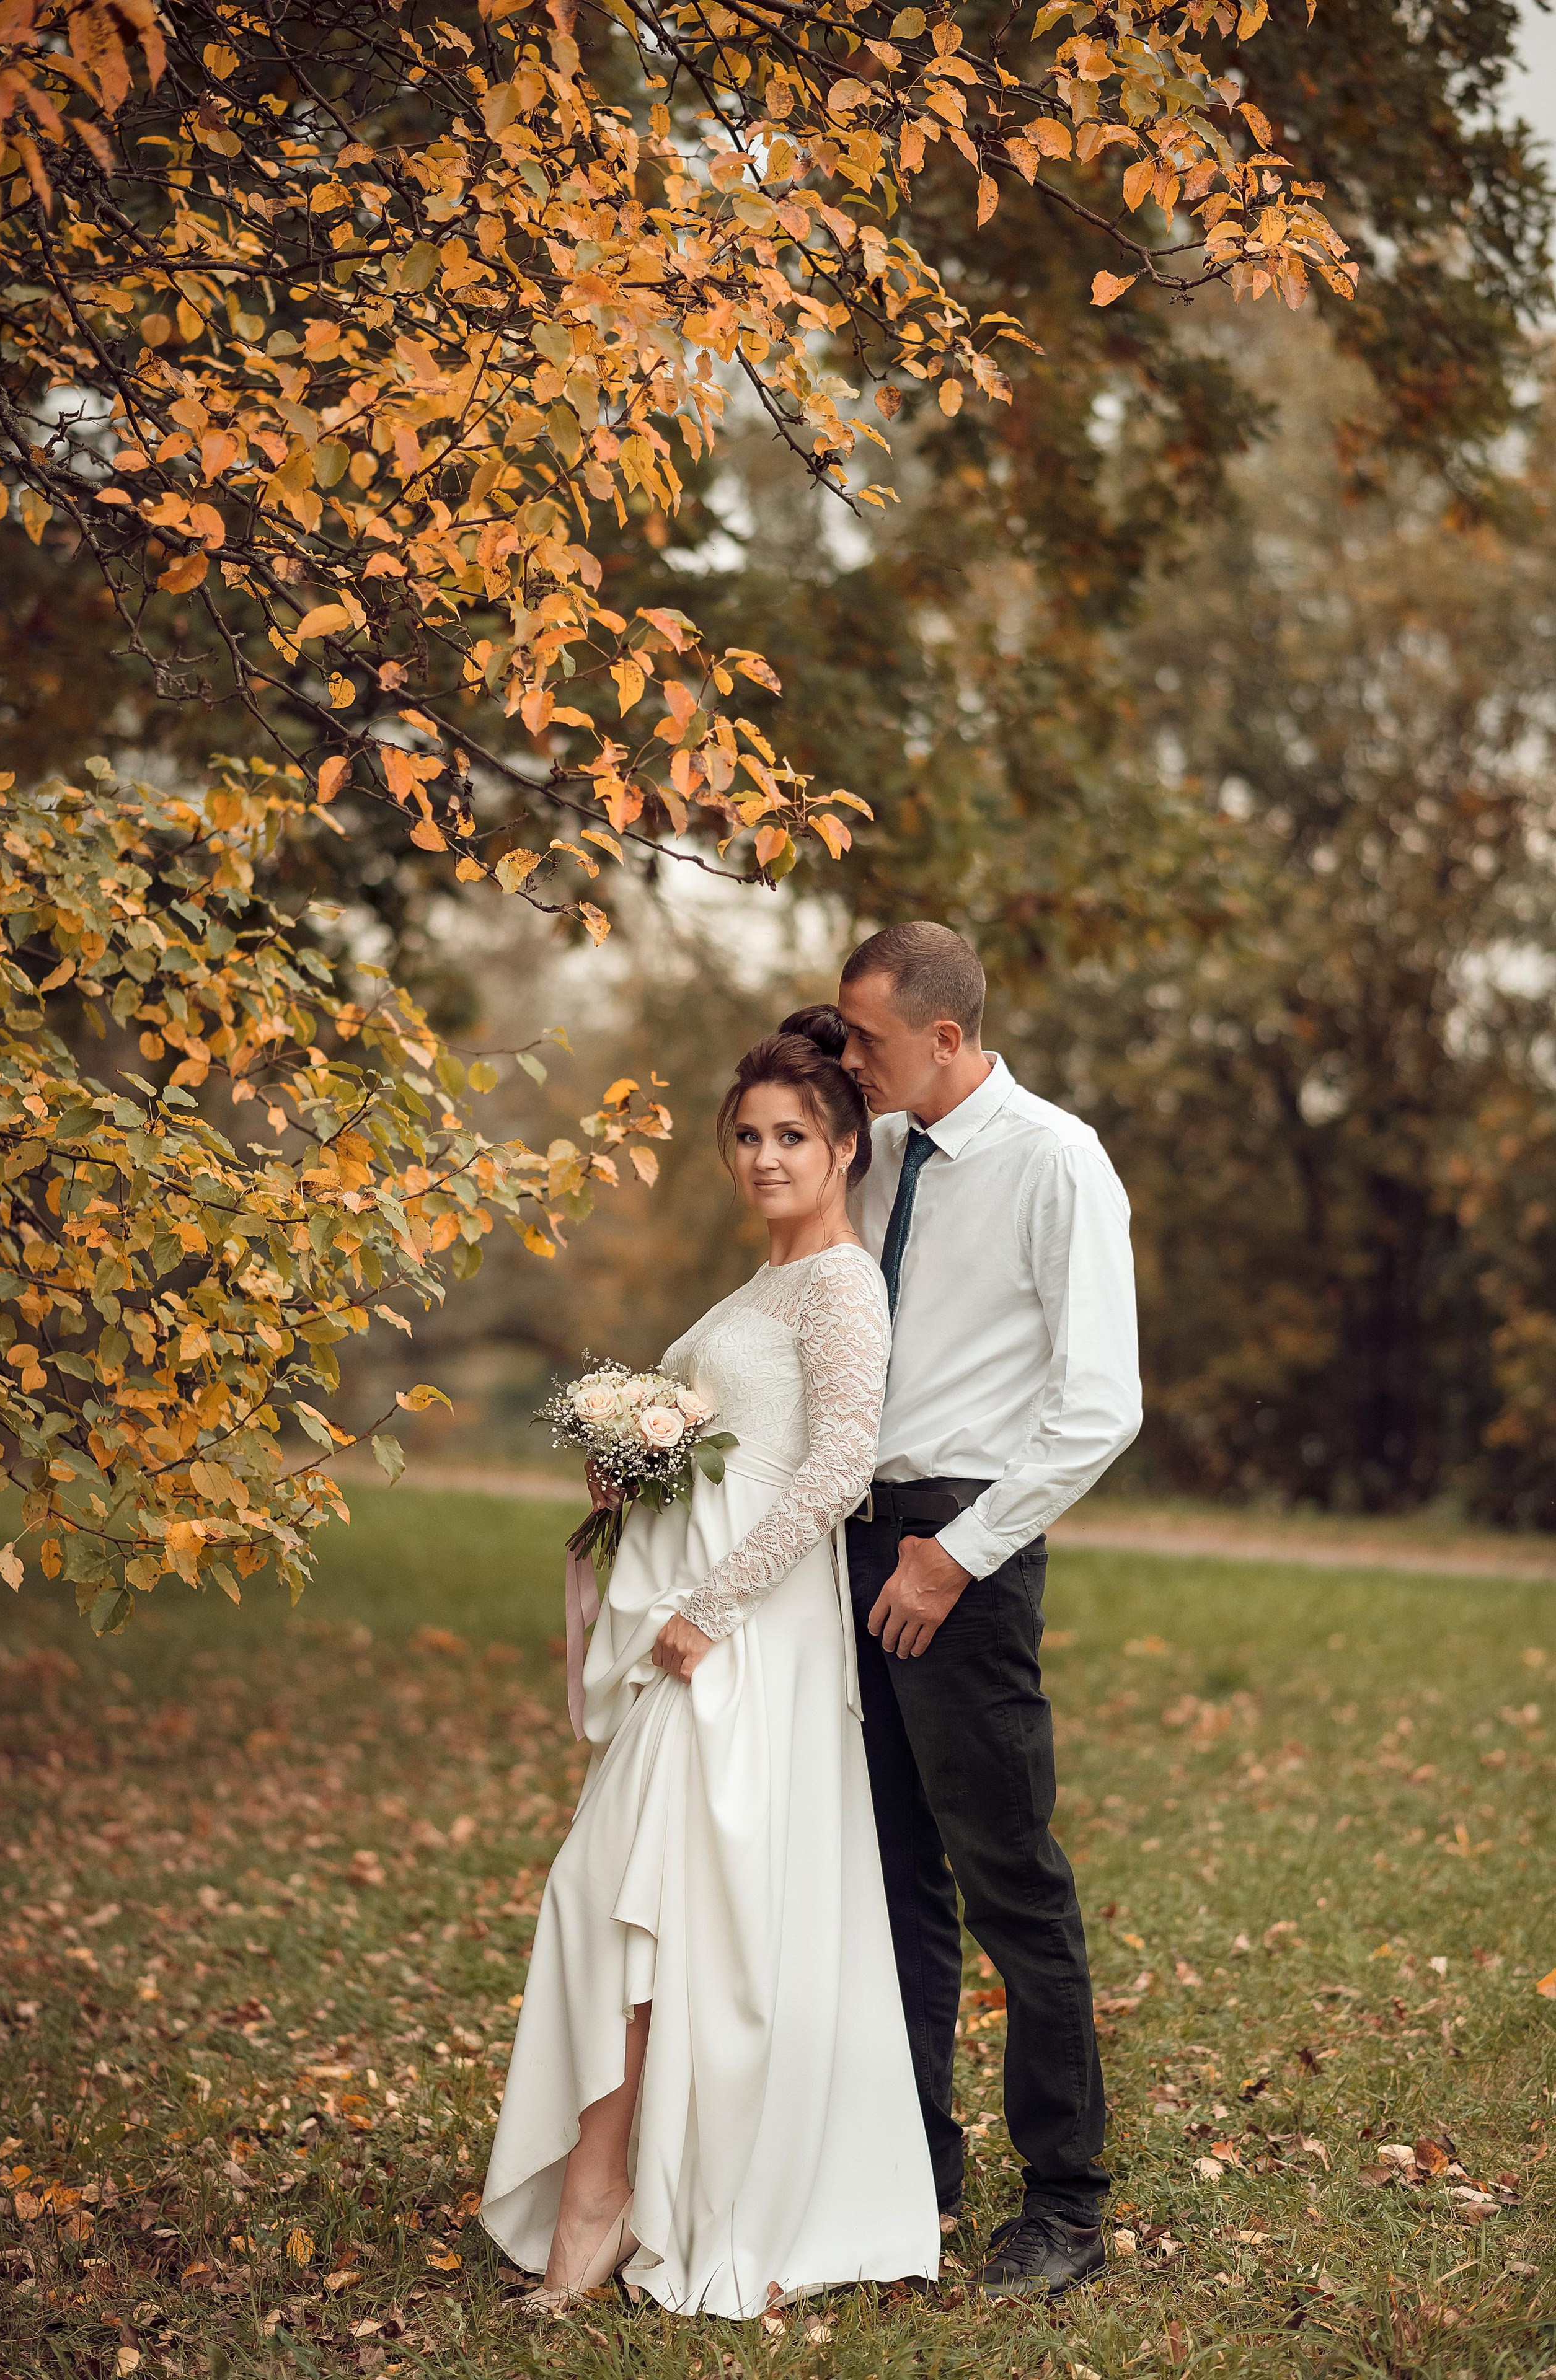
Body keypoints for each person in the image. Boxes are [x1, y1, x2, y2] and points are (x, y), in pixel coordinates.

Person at [479, 1010, 939, 2319]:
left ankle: (608, 2199)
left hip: (750, 1639)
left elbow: (840, 1467)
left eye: (791, 1135)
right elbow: (731, 1446)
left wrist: (714, 1607)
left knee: (659, 1907)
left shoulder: (842, 1283)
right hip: (700, 1625)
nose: (763, 1157)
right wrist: (634, 1466)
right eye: (745, 1136)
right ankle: (607, 2186)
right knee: (623, 1902)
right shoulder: (753, 1289)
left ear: (845, 1147)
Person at [837, 920, 1142, 2303]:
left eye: (869, 1042)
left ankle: (1065, 2203)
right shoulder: (885, 1153)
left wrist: (951, 1556)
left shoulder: (1054, 1159)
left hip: (963, 1547)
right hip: (853, 1539)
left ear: (948, 1038)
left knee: (1009, 1882)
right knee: (896, 1880)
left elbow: (1096, 1407)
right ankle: (913, 2167)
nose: (848, 1063)